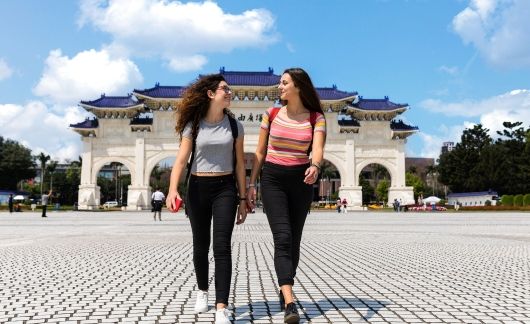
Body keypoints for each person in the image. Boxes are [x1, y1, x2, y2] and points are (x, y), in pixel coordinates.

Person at [165, 74, 247, 324]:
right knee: (200, 246)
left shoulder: (235, 126)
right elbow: (181, 160)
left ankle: (222, 306)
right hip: (197, 188)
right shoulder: (194, 125)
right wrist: (172, 189)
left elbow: (240, 164)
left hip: (225, 188)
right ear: (211, 94)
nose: (230, 92)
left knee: (222, 247)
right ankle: (202, 292)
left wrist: (243, 198)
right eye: (225, 89)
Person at [246, 67, 326, 323]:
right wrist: (251, 184)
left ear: (298, 87)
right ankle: (290, 302)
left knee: (294, 241)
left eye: (284, 83)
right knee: (282, 237)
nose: (279, 87)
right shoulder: (270, 114)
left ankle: (284, 287)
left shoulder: (316, 117)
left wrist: (315, 166)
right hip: (273, 179)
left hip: (301, 181)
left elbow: (318, 148)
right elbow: (259, 152)